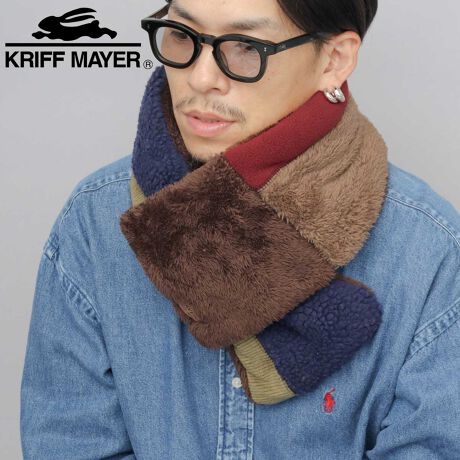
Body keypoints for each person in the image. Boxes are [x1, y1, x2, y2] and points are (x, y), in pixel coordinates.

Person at [20, 0, 460, 458]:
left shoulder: (428, 250)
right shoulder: (94, 223)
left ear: (335, 59)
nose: (200, 77)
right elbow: (69, 444)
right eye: (182, 35)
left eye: (247, 46)